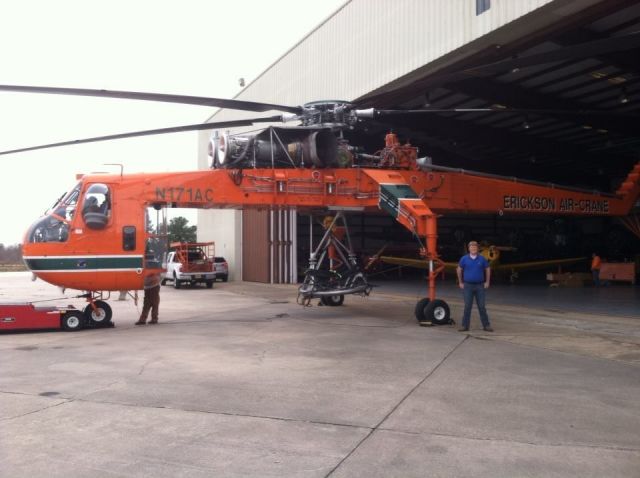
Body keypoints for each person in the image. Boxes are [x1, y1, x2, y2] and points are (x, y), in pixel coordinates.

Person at [456, 240, 493, 332]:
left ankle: (486, 325)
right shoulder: (464, 259)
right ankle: (465, 326)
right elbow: (459, 269)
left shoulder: (482, 259)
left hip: (480, 286)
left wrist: (487, 281)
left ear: (477, 248)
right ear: (469, 249)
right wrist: (460, 282)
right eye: (471, 247)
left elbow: (488, 269)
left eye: (475, 247)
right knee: (467, 306)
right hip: (468, 286)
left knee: (482, 306)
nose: (473, 248)